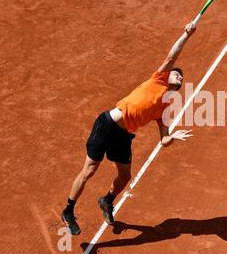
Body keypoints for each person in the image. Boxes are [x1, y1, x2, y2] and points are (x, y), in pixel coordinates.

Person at [62, 21, 197, 235]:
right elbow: (172, 57)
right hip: (108, 124)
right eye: (177, 74)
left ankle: (107, 201)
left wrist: (173, 137)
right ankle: (68, 211)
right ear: (168, 75)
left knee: (125, 176)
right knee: (90, 170)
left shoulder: (166, 108)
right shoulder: (158, 79)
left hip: (124, 135)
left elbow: (163, 141)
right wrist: (186, 35)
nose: (180, 76)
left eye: (181, 77)